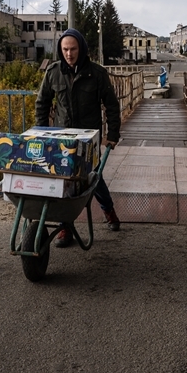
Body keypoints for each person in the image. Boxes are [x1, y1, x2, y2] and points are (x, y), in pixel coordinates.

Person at [35, 28, 122, 245]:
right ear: (60, 49)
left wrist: (112, 135)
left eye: (73, 49)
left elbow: (111, 105)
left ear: (81, 49)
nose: (69, 54)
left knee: (92, 178)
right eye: (65, 49)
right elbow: (42, 103)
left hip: (87, 139)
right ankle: (65, 227)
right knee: (63, 181)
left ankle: (108, 210)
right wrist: (42, 132)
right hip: (62, 138)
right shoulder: (53, 72)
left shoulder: (96, 74)